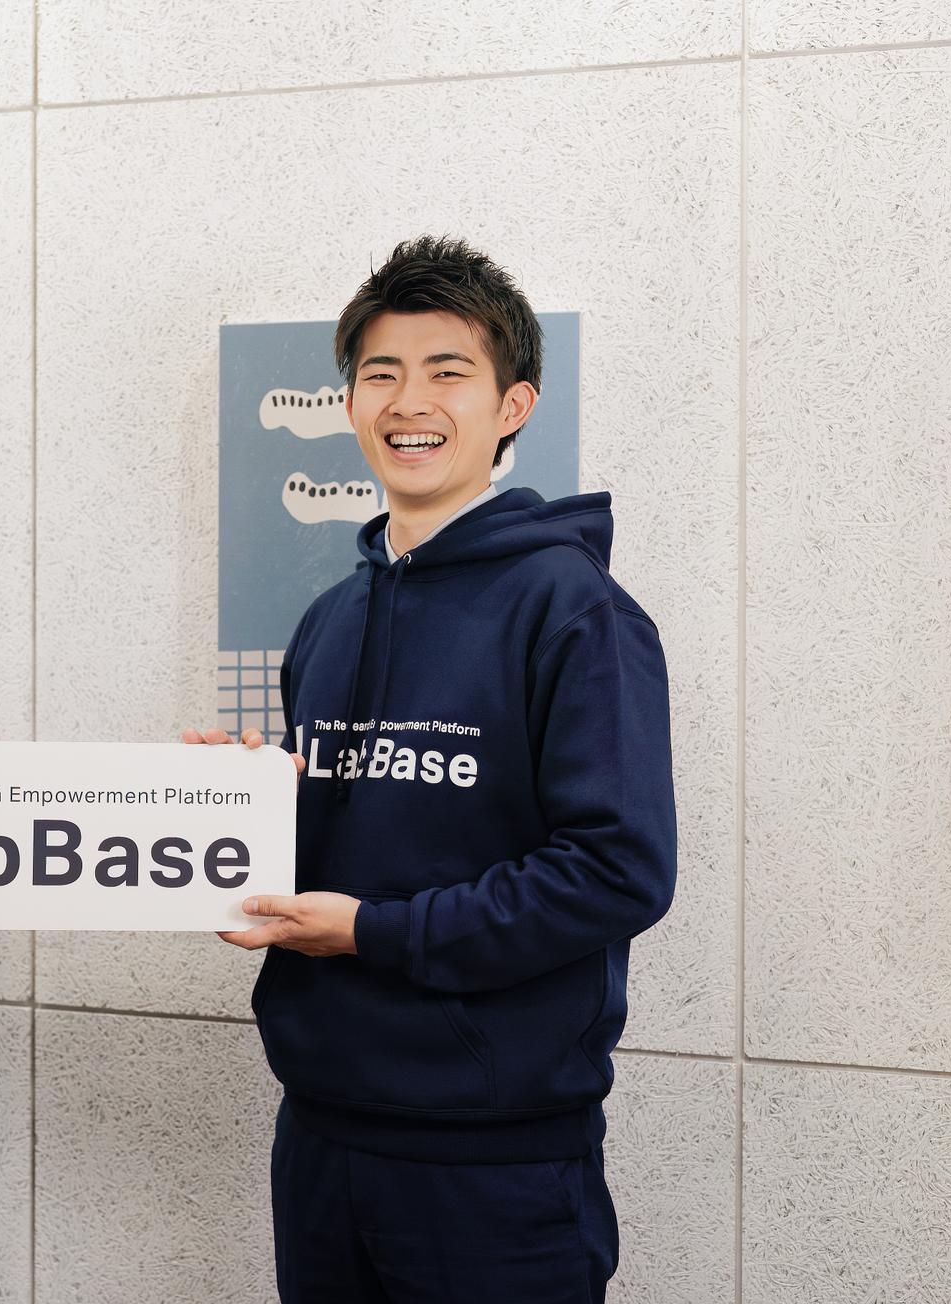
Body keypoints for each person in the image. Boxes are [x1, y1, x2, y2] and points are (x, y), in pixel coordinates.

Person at [188, 236, 678, 1302]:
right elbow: (348, 839)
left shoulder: (576, 611)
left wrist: (375, 931)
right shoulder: (329, 618)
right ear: (351, 402)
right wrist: (230, 811)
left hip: (495, 1165)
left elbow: (618, 871)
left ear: (513, 406)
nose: (409, 402)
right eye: (382, 373)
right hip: (319, 1135)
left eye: (447, 372)